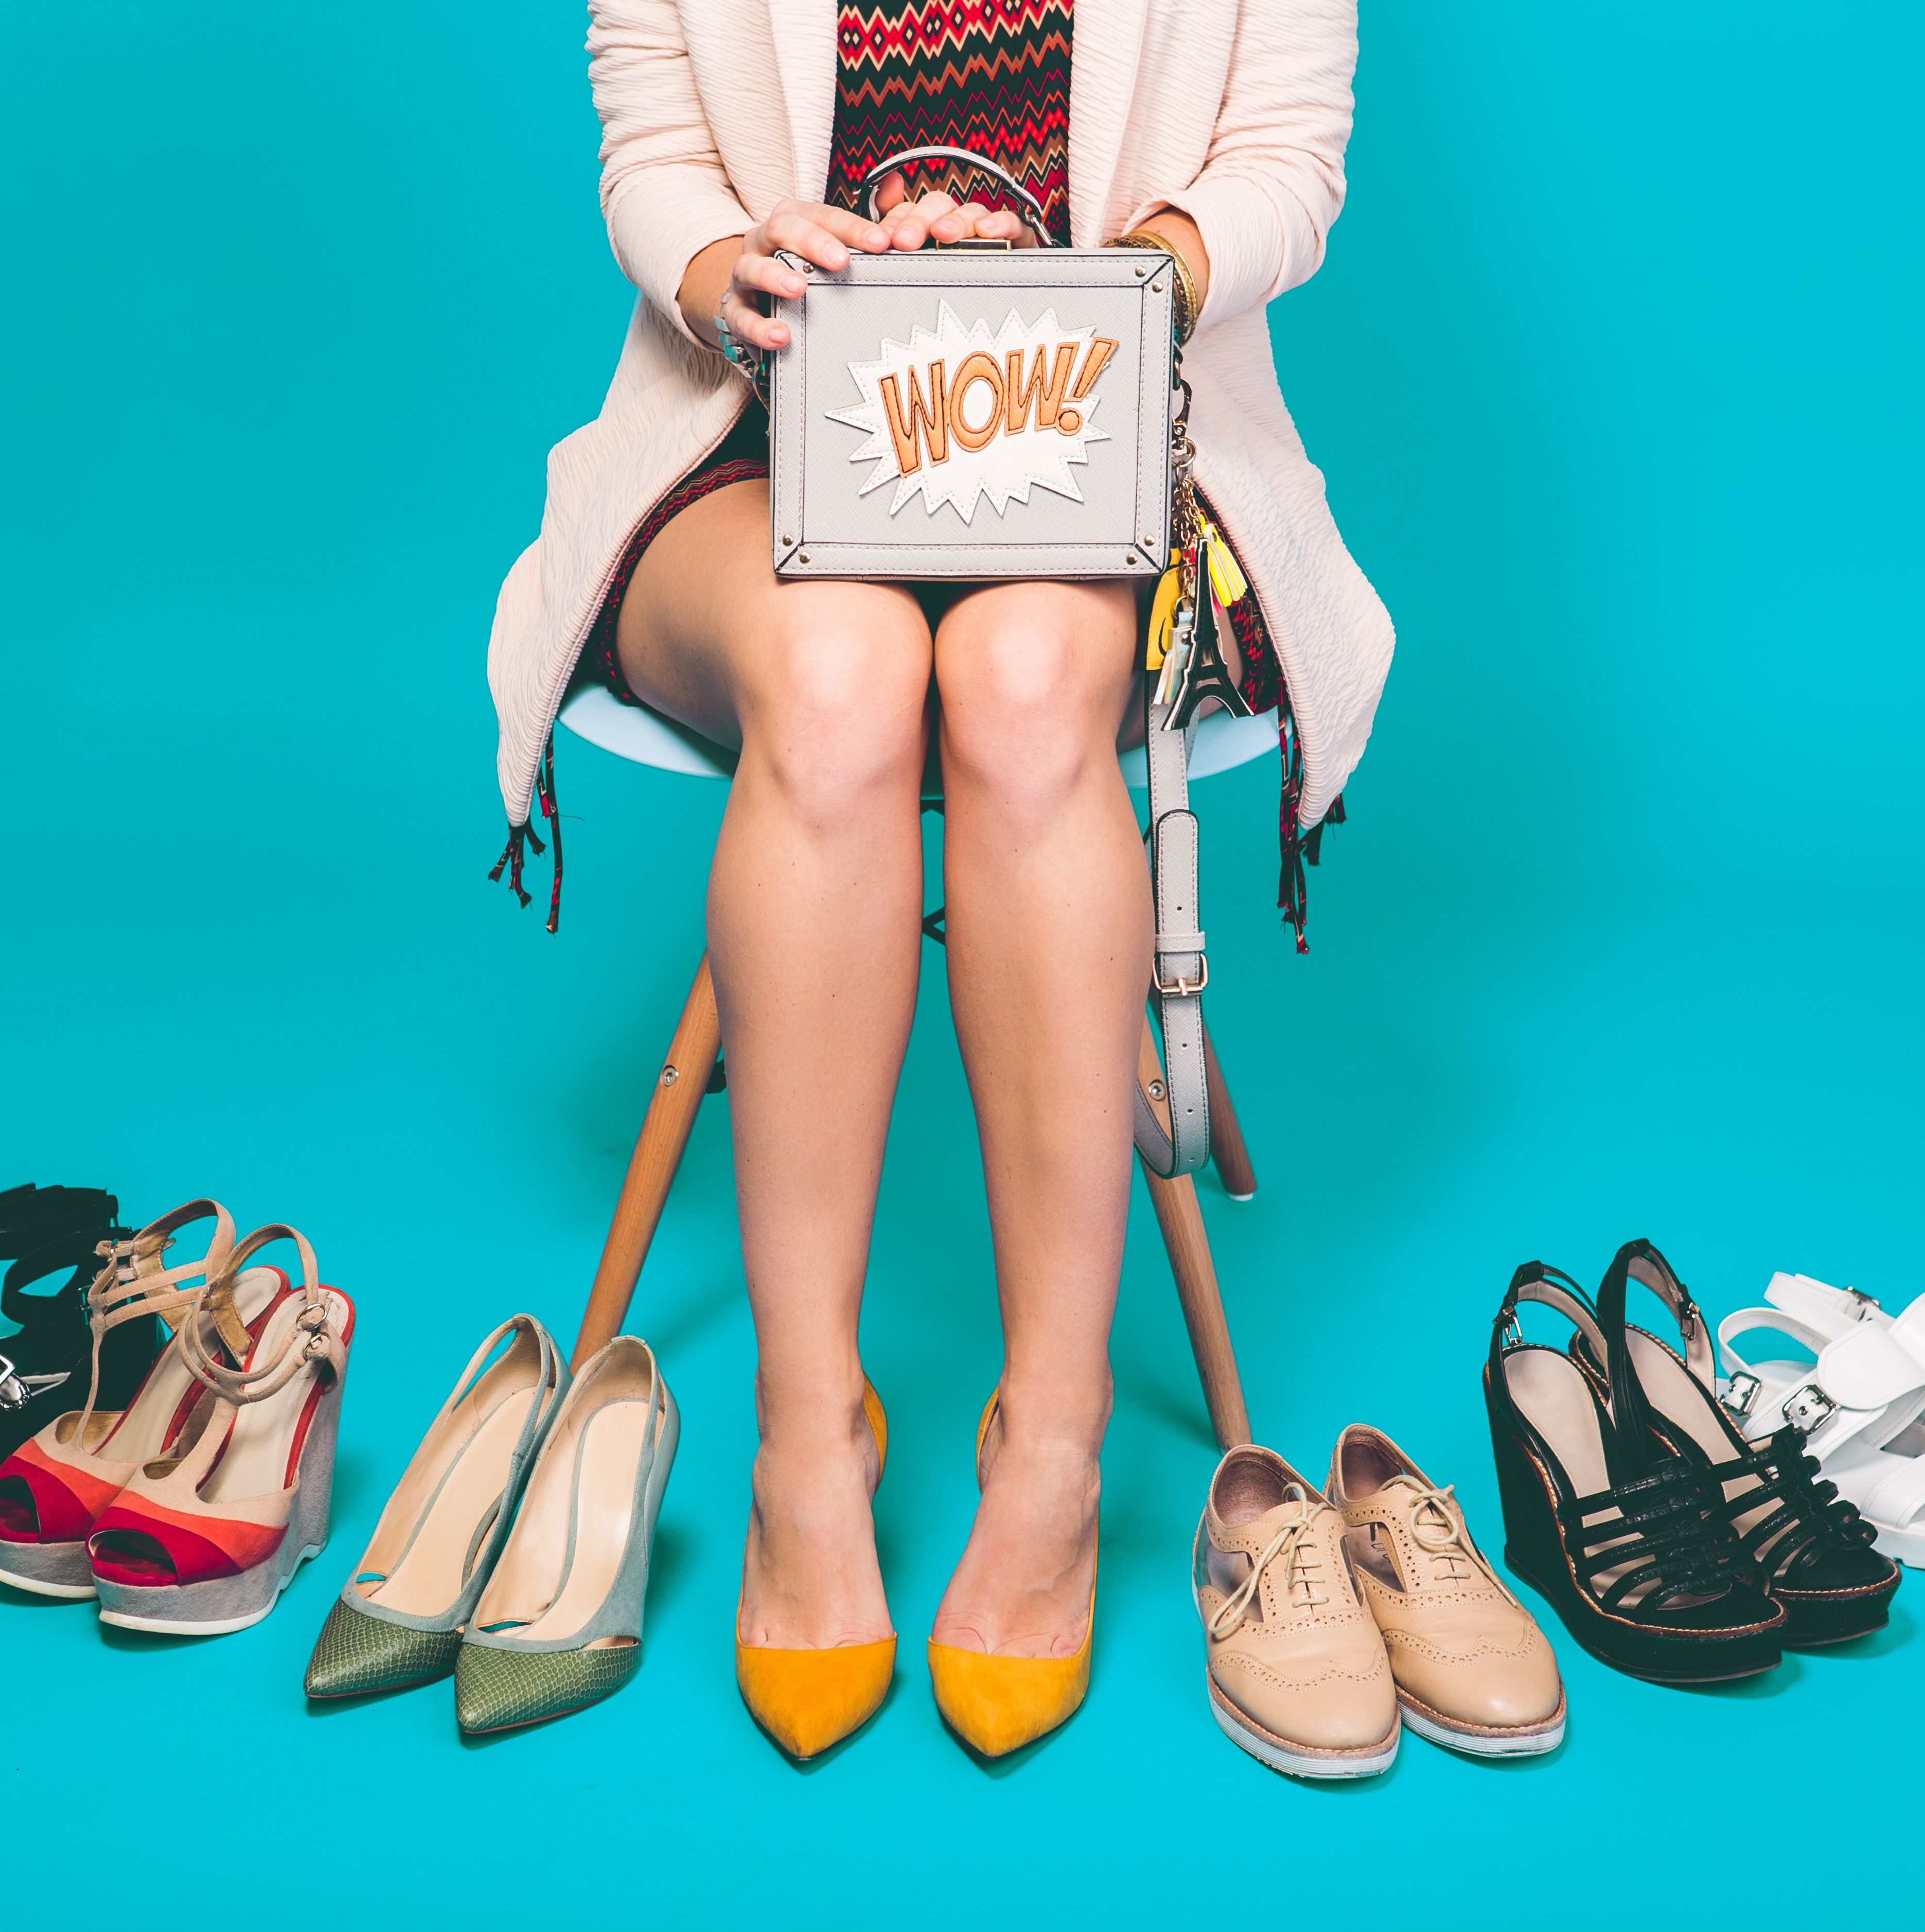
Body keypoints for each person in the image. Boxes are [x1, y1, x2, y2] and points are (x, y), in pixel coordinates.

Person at [483, 0, 1390, 1761]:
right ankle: (806, 1438)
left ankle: (1052, 1445)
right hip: (744, 449)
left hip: (1107, 434)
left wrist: (1106, 280)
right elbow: (653, 157)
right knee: (840, 681)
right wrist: (737, 271)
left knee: (1026, 685)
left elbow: (1288, 165)